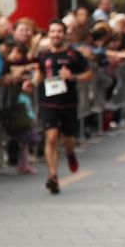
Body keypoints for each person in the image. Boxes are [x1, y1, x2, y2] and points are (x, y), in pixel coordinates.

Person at [24, 20, 92, 194]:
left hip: (68, 102)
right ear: (49, 34)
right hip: (48, 102)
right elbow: (39, 73)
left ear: (64, 34)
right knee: (51, 137)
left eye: (59, 31)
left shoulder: (73, 55)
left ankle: (70, 154)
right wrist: (31, 84)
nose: (56, 35)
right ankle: (53, 176)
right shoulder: (44, 55)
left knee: (67, 139)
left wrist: (73, 77)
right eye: (53, 31)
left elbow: (88, 74)